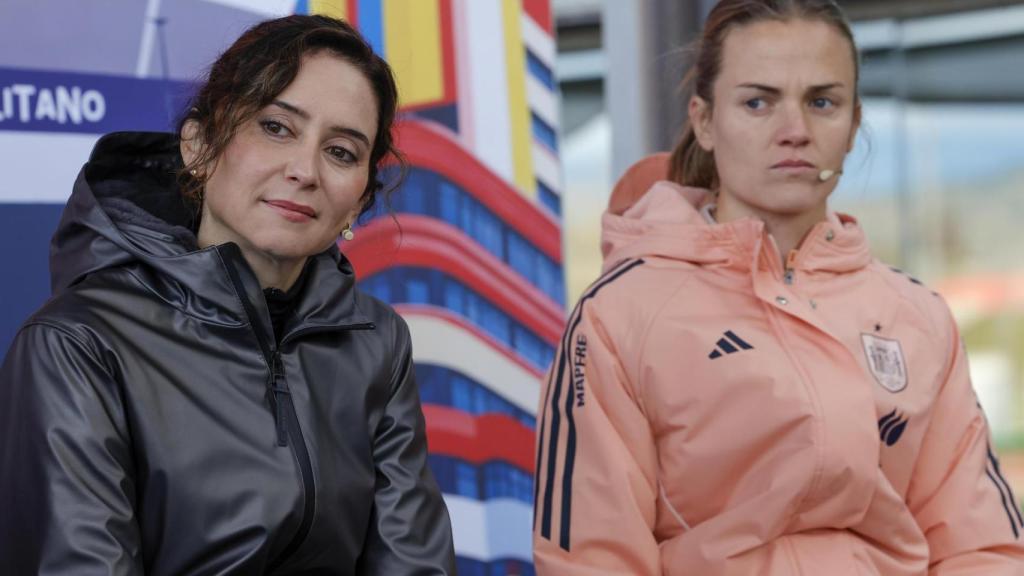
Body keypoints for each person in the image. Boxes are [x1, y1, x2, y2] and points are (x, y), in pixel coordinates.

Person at [533, 1, 1024, 574]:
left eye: (822, 102)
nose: (795, 132)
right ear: (705, 122)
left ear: (854, 125)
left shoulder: (917, 316)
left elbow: (981, 549)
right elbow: (592, 558)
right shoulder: (619, 314)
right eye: (758, 102)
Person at [0, 15, 455, 575]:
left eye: (341, 152)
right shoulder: (78, 343)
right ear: (199, 145)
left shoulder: (377, 341)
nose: (304, 170)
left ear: (359, 201)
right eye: (276, 127)